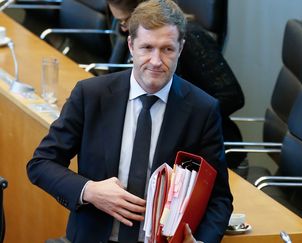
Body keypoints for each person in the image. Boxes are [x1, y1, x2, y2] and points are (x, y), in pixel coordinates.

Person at [27, 0, 233, 243]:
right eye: (147, 47)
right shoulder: (91, 95)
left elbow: (219, 199)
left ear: (181, 48)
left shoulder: (202, 110)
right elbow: (41, 164)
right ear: (131, 45)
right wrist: (89, 191)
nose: (156, 61)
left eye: (167, 49)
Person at [107, 0, 247, 168]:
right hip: (161, 145)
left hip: (206, 150)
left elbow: (232, 96)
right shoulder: (136, 38)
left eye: (125, 21)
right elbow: (113, 72)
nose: (122, 28)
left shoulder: (191, 38)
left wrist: (178, 118)